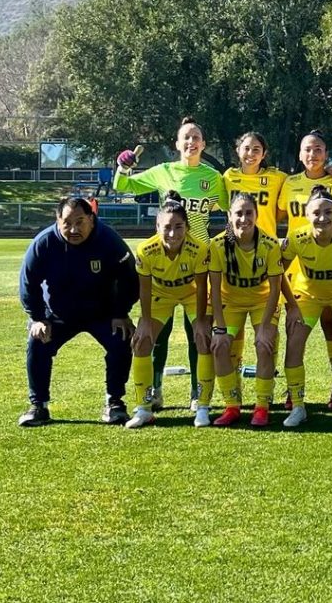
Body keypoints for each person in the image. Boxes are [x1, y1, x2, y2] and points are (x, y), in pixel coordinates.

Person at [113, 116, 229, 412]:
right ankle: (155, 389)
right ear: (177, 144)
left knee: (198, 332)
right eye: (186, 138)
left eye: (196, 138)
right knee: (157, 333)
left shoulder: (214, 177)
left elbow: (235, 210)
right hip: (163, 261)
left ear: (204, 144)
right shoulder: (163, 171)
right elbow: (124, 186)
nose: (191, 142)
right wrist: (123, 165)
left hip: (198, 264)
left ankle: (196, 392)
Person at [17, 197, 138, 427]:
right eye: (67, 223)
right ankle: (39, 405)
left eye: (80, 221)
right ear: (57, 220)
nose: (74, 229)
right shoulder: (43, 243)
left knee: (121, 338)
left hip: (102, 312)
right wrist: (37, 318)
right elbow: (28, 283)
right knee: (37, 342)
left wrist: (121, 313)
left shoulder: (109, 240)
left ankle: (114, 403)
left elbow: (129, 278)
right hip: (59, 315)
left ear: (91, 219)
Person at [277, 131, 332, 410]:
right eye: (308, 150)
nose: (313, 155)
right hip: (298, 269)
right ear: (300, 155)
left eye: (319, 149)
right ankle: (293, 390)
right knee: (296, 329)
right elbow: (275, 216)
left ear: (327, 153)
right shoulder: (288, 183)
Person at [280, 186, 332, 428]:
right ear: (307, 214)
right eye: (316, 212)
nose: (322, 218)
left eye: (328, 212)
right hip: (307, 296)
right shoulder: (297, 237)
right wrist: (292, 304)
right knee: (294, 344)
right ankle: (298, 407)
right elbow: (277, 270)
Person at [126, 193, 210, 429]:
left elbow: (203, 287)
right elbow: (144, 290)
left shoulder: (199, 248)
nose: (173, 233)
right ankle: (144, 408)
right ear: (157, 226)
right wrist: (144, 321)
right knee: (141, 341)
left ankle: (202, 405)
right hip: (160, 296)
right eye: (167, 227)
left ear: (187, 227)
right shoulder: (145, 249)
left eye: (179, 227)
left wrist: (202, 321)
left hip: (192, 294)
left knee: (203, 339)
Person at [207, 193, 286, 428]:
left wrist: (265, 328)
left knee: (264, 344)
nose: (244, 218)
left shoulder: (270, 244)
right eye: (238, 213)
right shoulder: (218, 244)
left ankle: (262, 407)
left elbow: (275, 289)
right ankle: (232, 405)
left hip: (263, 302)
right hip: (231, 304)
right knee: (219, 344)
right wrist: (219, 327)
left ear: (256, 215)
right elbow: (216, 288)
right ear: (229, 216)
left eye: (248, 213)